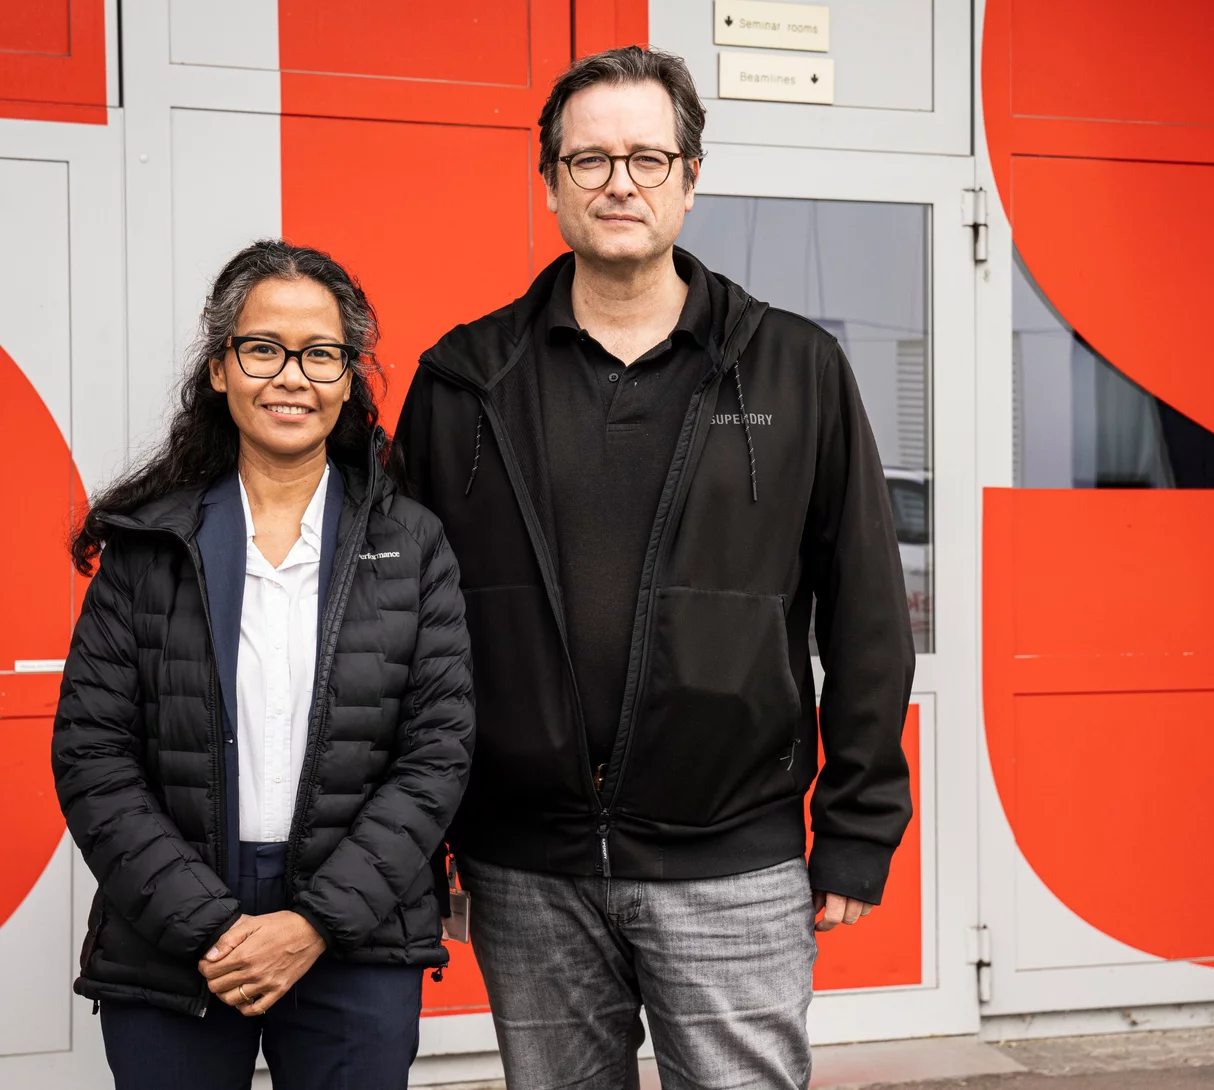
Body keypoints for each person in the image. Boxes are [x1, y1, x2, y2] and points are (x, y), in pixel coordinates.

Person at [391, 46, 915, 1089]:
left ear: (690, 178)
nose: (618, 183)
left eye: (646, 158)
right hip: (526, 864)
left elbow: (866, 612)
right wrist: (422, 841)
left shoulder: (796, 368)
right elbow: (404, 627)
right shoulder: (463, 380)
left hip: (732, 856)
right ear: (549, 184)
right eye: (589, 160)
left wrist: (858, 825)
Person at [53, 239, 475, 1090]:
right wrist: (209, 925)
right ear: (219, 368)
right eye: (263, 350)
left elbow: (437, 754)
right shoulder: (149, 546)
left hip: (355, 928)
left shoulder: (412, 544)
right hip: (171, 932)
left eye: (320, 354)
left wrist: (313, 923)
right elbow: (93, 755)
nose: (292, 377)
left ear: (349, 378)